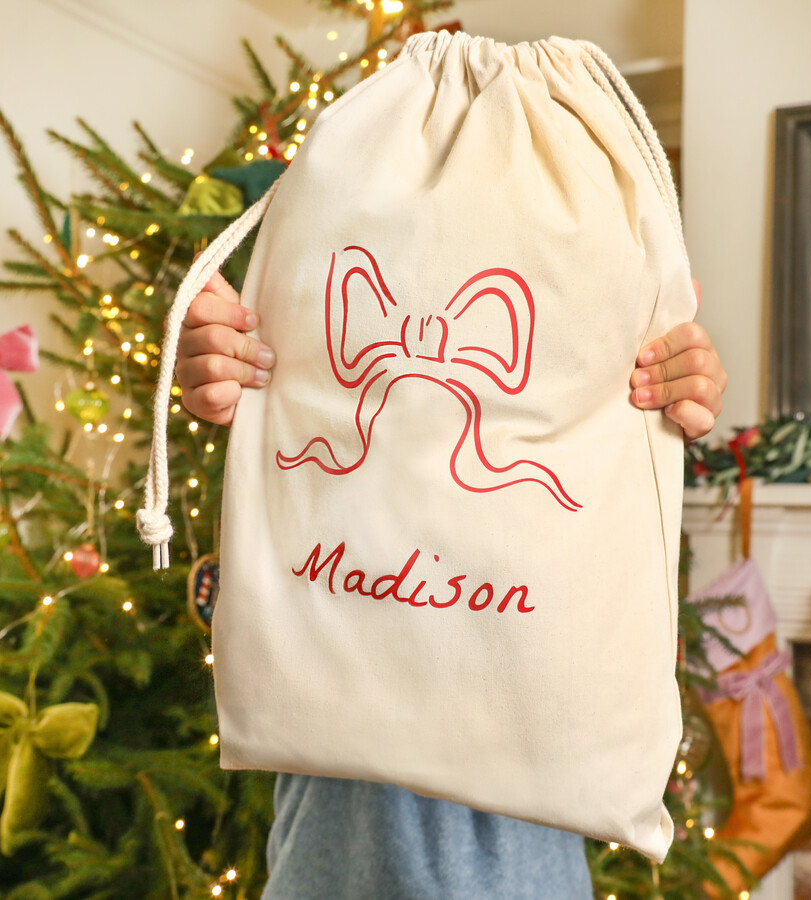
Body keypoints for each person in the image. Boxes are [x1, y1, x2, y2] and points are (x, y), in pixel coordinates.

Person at [175, 272, 727, 898]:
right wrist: (231, 365)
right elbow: (270, 413)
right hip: (335, 862)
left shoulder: (580, 283)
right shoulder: (336, 239)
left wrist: (669, 380)